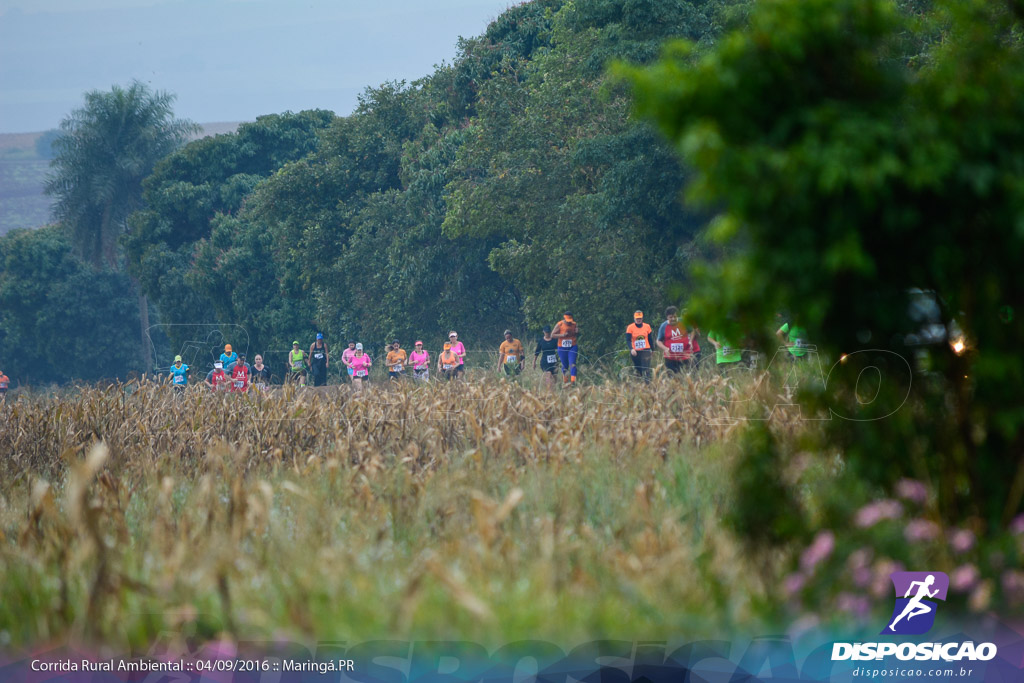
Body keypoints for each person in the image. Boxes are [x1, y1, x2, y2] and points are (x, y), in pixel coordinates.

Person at [657, 306, 696, 374]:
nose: (673, 319)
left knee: (685, 375)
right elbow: (658, 341)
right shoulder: (663, 326)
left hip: (684, 355)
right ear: (667, 317)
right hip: (670, 357)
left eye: (675, 316)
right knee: (672, 377)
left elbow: (692, 331)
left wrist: (690, 341)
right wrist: (665, 348)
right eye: (671, 317)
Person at [551, 310, 579, 384]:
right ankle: (566, 382)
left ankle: (573, 382)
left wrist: (576, 332)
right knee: (565, 365)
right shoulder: (560, 324)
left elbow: (577, 334)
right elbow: (552, 335)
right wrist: (562, 335)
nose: (569, 322)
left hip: (572, 346)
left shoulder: (574, 324)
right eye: (567, 321)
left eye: (570, 321)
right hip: (562, 347)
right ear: (564, 318)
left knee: (572, 364)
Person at [626, 310, 655, 382]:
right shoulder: (630, 327)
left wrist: (653, 349)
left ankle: (648, 385)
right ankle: (639, 385)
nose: (638, 320)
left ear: (642, 318)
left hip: (646, 350)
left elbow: (650, 339)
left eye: (640, 318)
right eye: (637, 318)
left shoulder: (647, 326)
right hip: (635, 352)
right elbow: (628, 340)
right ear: (634, 318)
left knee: (646, 369)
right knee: (638, 369)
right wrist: (631, 349)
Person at [533, 326, 560, 390]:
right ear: (543, 332)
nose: (547, 334)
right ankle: (549, 389)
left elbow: (559, 350)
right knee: (548, 375)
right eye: (546, 332)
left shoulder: (555, 340)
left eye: (548, 332)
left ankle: (554, 390)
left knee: (554, 377)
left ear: (550, 332)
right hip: (545, 361)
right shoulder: (541, 341)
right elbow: (537, 352)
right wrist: (534, 362)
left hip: (554, 361)